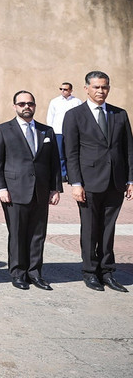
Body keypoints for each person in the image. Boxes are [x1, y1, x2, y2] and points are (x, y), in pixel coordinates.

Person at [62, 70, 133, 292]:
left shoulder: (119, 114)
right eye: (96, 87)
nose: (101, 91)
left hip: (115, 181)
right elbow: (71, 152)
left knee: (109, 228)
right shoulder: (74, 115)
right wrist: (75, 183)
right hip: (88, 183)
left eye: (104, 87)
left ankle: (107, 271)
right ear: (86, 88)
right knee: (90, 229)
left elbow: (128, 150)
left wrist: (130, 179)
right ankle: (90, 272)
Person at [0, 90, 62, 290]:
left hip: (40, 190)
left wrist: (55, 188)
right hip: (14, 191)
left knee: (38, 234)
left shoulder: (46, 131)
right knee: (18, 233)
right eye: (21, 104)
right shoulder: (2, 130)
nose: (26, 107)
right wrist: (0, 188)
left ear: (35, 106)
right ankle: (18, 273)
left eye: (30, 103)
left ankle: (35, 273)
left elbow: (54, 162)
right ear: (14, 106)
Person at [46, 82, 83, 180]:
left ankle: (72, 174)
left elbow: (81, 117)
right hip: (58, 131)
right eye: (61, 89)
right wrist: (50, 131)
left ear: (70, 90)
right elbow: (50, 116)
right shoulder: (55, 101)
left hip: (72, 132)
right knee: (60, 153)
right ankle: (62, 174)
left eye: (65, 89)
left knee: (71, 153)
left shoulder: (77, 101)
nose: (63, 91)